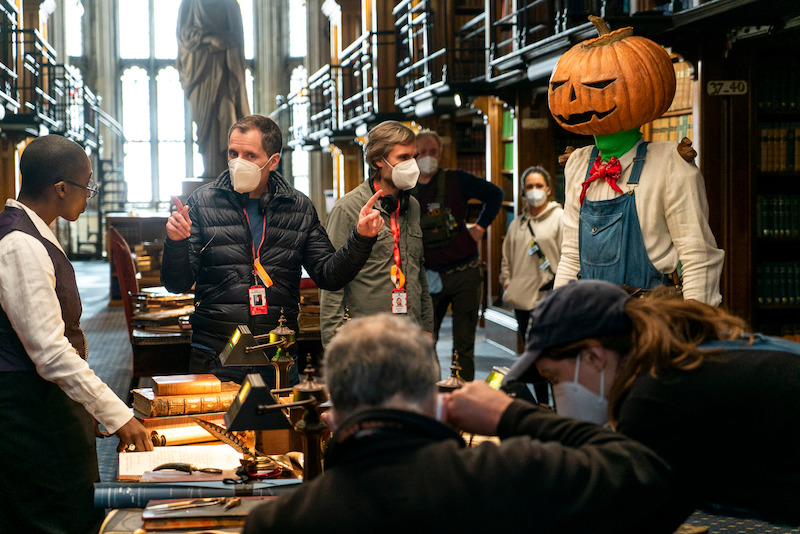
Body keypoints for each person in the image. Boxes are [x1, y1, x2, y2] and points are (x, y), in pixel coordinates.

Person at [242, 313, 671, 533]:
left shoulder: (278, 523)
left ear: (332, 416)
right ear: (437, 402)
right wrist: (510, 415)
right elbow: (644, 471)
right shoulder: (507, 475)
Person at [506, 279, 800, 531]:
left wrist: (512, 421)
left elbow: (626, 516)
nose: (557, 392)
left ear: (594, 357)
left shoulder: (658, 395)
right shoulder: (677, 361)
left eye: (554, 378)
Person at [0, 135, 153, 533]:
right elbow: (51, 353)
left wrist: (87, 405)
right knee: (60, 518)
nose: (89, 195)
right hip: (31, 413)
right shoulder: (20, 244)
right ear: (61, 188)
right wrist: (116, 414)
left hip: (48, 402)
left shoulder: (32, 232)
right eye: (87, 186)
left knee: (79, 509)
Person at [161, 114, 383, 385]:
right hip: (215, 352)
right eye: (233, 153)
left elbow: (329, 275)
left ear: (273, 161)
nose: (238, 162)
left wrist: (361, 238)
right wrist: (176, 242)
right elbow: (176, 283)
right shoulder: (202, 202)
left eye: (250, 155)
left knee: (279, 414)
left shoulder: (298, 207)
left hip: (277, 352)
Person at [320, 121, 433, 346]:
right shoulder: (348, 209)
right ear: (379, 160)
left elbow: (418, 270)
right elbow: (332, 283)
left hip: (410, 334)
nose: (412, 165)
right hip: (366, 339)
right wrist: (333, 345)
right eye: (403, 157)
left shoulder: (412, 205)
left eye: (414, 157)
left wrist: (427, 327)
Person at [410, 130, 503, 381]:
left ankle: (462, 394)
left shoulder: (457, 179)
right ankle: (430, 393)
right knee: (424, 342)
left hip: (465, 273)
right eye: (422, 152)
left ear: (440, 154)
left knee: (464, 346)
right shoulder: (406, 188)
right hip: (427, 277)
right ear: (413, 156)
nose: (428, 157)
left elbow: (495, 194)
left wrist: (480, 228)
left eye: (433, 152)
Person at [499, 166, 562, 403]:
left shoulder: (560, 219)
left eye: (539, 186)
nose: (534, 191)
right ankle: (543, 404)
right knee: (532, 356)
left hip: (550, 300)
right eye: (529, 187)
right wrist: (507, 283)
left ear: (549, 189)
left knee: (552, 356)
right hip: (522, 301)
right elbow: (507, 259)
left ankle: (560, 406)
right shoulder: (517, 224)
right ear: (523, 192)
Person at [177, 0, 251, 178]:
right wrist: (208, 39)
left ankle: (229, 169)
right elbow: (183, 35)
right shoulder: (189, 3)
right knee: (205, 123)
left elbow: (237, 36)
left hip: (224, 71)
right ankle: (210, 169)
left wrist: (223, 41)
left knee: (227, 116)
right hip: (200, 72)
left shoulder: (229, 4)